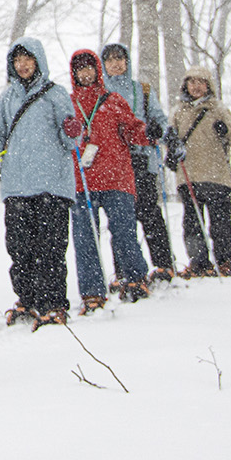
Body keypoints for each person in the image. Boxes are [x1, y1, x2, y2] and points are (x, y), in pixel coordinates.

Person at [0, 38, 79, 331]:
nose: (22, 65)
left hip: (52, 185)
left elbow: (72, 140)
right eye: (17, 60)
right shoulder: (7, 98)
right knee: (19, 248)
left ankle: (53, 303)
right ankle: (28, 298)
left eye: (27, 59)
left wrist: (73, 129)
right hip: (17, 185)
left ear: (38, 61)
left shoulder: (56, 95)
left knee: (50, 247)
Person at [65, 50, 152, 312]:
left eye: (90, 68)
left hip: (117, 178)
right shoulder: (68, 104)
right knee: (85, 238)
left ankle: (134, 279)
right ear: (74, 74)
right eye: (80, 69)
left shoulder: (114, 100)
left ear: (97, 70)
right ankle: (93, 292)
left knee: (124, 232)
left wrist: (149, 133)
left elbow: (133, 130)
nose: (86, 73)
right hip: (83, 182)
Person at [101, 43, 176, 282]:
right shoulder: (101, 91)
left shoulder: (141, 90)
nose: (116, 63)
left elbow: (160, 121)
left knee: (149, 212)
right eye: (110, 59)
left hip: (141, 158)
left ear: (127, 61)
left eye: (120, 58)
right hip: (113, 162)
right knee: (120, 218)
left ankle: (164, 264)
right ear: (103, 64)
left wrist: (159, 131)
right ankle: (124, 270)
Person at [166, 66, 231, 277]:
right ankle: (199, 263)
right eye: (192, 82)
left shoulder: (218, 109)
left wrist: (224, 130)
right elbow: (169, 137)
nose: (196, 87)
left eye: (201, 82)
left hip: (216, 174)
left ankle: (225, 262)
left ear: (208, 85)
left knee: (220, 224)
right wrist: (170, 145)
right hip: (189, 174)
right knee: (192, 223)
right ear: (185, 85)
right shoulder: (178, 111)